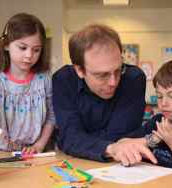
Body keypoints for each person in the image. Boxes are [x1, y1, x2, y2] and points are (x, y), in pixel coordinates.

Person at [52, 24, 157, 164]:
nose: (113, 82)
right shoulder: (63, 80)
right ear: (79, 70)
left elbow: (122, 136)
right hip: (74, 163)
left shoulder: (134, 79)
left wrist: (84, 140)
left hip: (121, 165)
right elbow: (69, 137)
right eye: (102, 75)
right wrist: (110, 147)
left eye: (119, 70)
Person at [0, 13, 55, 154]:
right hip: (2, 153)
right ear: (6, 44)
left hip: (36, 153)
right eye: (22, 47)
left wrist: (39, 145)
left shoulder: (44, 80)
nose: (29, 55)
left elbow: (51, 116)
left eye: (36, 50)